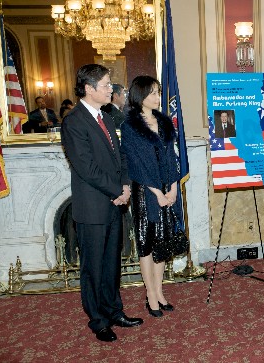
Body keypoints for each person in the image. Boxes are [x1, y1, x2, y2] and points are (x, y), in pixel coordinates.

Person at [61, 64, 143, 342]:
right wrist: (115, 191)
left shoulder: (106, 117)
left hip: (114, 202)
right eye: (106, 85)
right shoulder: (74, 121)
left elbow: (120, 156)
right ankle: (98, 321)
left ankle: (114, 310)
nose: (112, 89)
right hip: (93, 206)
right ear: (88, 88)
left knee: (111, 263)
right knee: (93, 267)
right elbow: (85, 167)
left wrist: (125, 185)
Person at [120, 75, 182, 318]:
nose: (158, 97)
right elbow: (135, 163)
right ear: (139, 96)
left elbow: (172, 157)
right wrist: (157, 192)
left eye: (158, 92)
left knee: (163, 241)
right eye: (153, 93)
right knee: (147, 242)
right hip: (145, 191)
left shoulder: (165, 122)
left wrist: (174, 187)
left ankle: (159, 291)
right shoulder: (130, 126)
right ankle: (150, 295)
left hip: (167, 188)